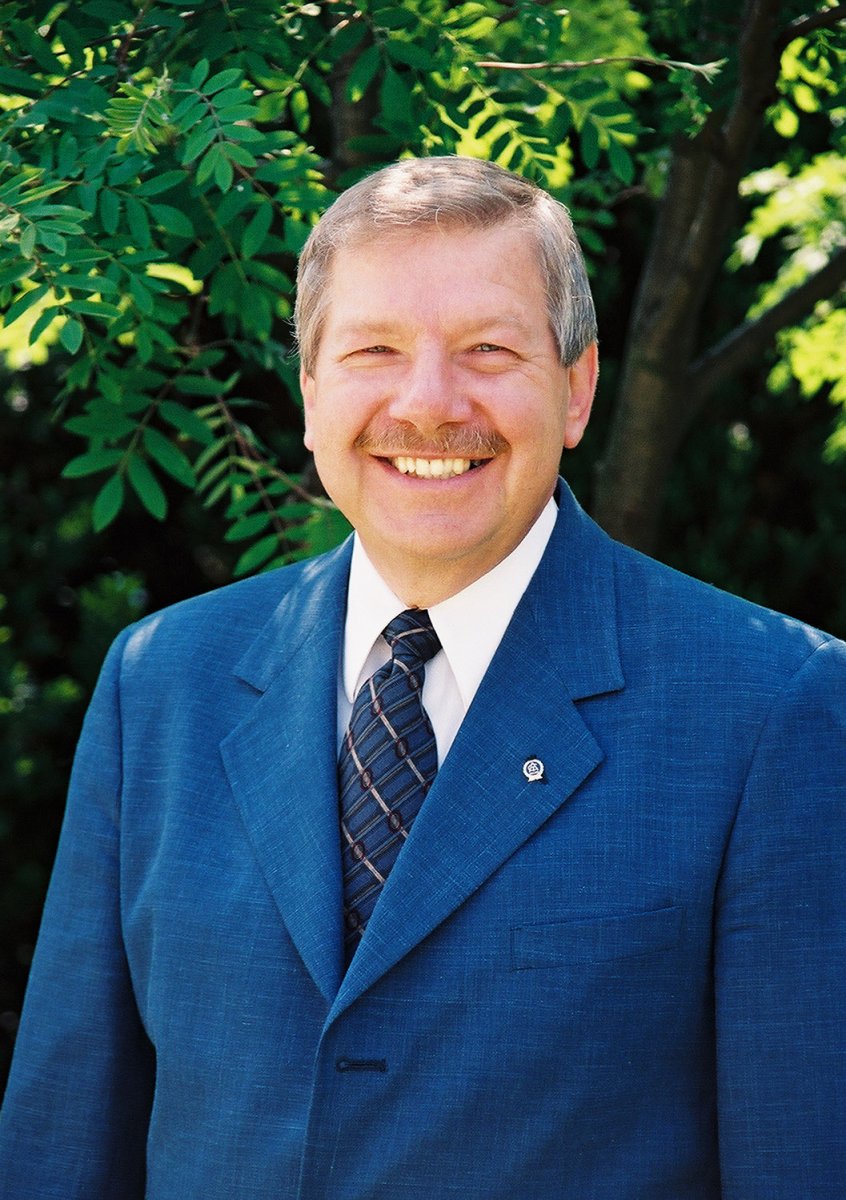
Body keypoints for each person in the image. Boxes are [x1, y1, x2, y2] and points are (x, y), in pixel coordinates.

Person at [0, 156, 844, 1199]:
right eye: (373, 350)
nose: (429, 402)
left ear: (576, 389)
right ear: (311, 393)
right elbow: (63, 1144)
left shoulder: (773, 706)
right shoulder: (162, 682)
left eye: (488, 348)